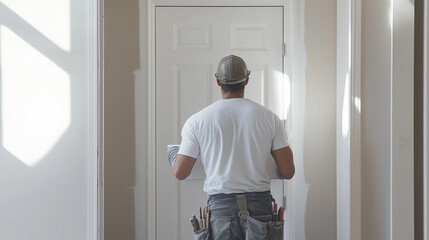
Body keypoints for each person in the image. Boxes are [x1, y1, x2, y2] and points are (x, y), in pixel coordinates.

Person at [172, 55, 295, 240]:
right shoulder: (269, 118)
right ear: (246, 80)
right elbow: (288, 171)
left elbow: (180, 172)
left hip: (221, 209)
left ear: (218, 81)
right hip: (260, 208)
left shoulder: (197, 121)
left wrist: (176, 156)